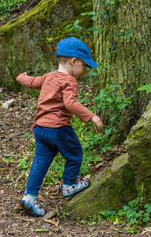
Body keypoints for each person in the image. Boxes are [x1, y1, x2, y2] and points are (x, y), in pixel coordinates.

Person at [16, 37, 103, 217]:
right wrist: (91, 116)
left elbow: (31, 82)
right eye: (84, 65)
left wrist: (20, 77)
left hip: (40, 128)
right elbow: (70, 103)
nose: (84, 69)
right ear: (74, 61)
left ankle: (29, 197)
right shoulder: (69, 81)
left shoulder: (48, 77)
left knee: (40, 162)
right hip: (58, 127)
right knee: (74, 154)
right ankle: (69, 185)